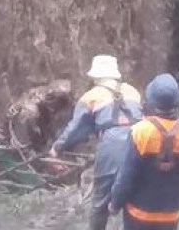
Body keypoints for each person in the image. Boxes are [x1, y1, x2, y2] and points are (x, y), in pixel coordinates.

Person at [50, 55, 143, 230]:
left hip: (111, 145)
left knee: (100, 202)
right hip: (139, 141)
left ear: (95, 77)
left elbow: (76, 128)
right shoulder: (132, 91)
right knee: (135, 196)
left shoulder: (91, 97)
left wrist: (57, 147)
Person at [109, 73, 179, 230]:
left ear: (150, 103)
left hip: (138, 215)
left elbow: (126, 177)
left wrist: (115, 204)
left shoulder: (140, 132)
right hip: (172, 215)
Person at [0, 79, 73, 187]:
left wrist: (51, 155)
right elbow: (22, 148)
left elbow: (46, 132)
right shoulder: (29, 113)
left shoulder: (43, 95)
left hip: (28, 142)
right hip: (5, 147)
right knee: (38, 185)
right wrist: (47, 162)